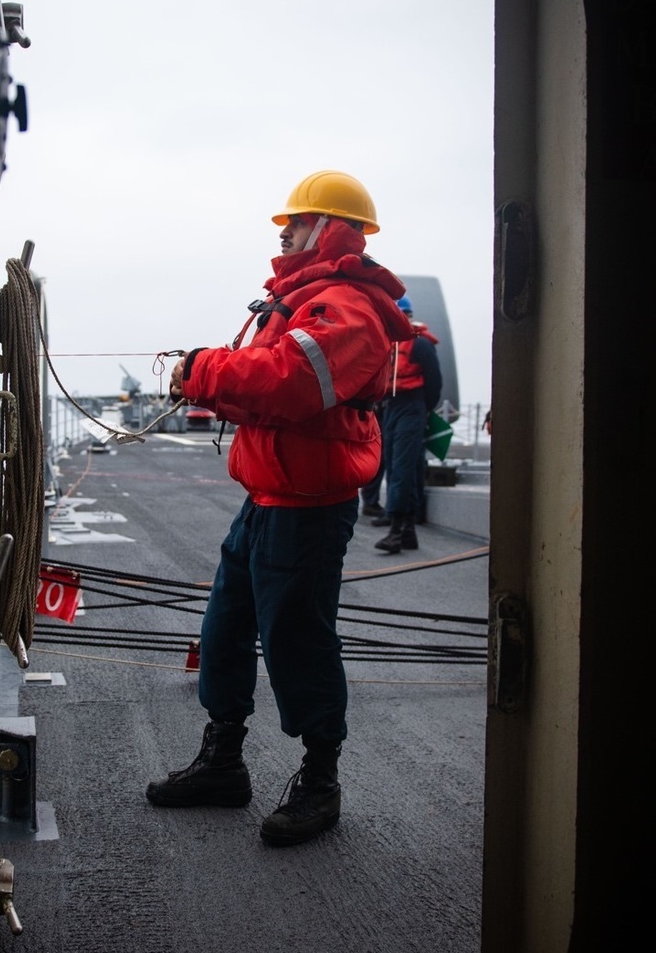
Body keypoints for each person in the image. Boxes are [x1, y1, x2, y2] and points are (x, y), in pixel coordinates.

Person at [145, 170, 413, 845]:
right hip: (266, 498)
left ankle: (321, 780)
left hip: (309, 507)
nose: (285, 230)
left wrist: (203, 368)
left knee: (300, 641)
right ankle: (222, 762)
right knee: (224, 630)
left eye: (296, 220)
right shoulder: (300, 298)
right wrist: (205, 374)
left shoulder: (345, 305)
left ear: (330, 226)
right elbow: (261, 389)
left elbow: (292, 383)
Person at [373, 294, 443, 555]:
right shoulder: (391, 343)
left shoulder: (421, 345)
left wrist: (422, 410)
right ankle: (408, 532)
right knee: (397, 465)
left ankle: (396, 531)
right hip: (392, 409)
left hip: (412, 408)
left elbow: (434, 382)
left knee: (401, 468)